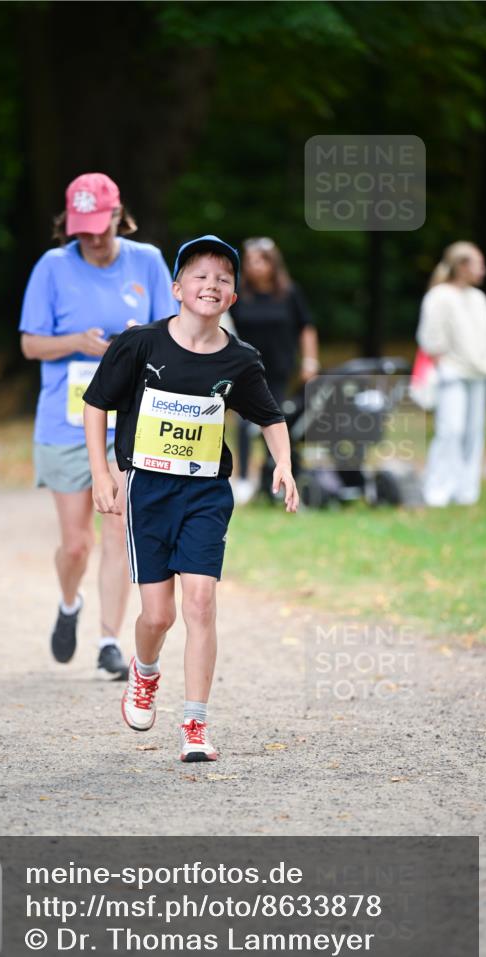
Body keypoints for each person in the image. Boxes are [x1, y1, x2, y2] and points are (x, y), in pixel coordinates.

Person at [83, 236, 298, 762]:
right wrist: (102, 473)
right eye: (200, 276)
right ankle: (145, 671)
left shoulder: (240, 359)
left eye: (224, 279)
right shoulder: (142, 345)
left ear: (233, 299)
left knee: (200, 601)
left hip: (205, 493)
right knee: (158, 616)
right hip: (148, 491)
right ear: (177, 288)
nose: (212, 285)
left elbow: (268, 416)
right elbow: (96, 405)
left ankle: (196, 725)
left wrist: (285, 467)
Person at [19, 173, 175, 680]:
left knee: (118, 528)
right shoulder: (52, 267)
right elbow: (30, 345)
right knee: (76, 544)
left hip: (127, 422)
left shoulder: (147, 261)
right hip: (65, 424)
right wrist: (76, 343)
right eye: (81, 229)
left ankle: (110, 641)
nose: (93, 238)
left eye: (100, 227)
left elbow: (174, 334)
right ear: (70, 224)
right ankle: (69, 603)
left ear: (117, 215)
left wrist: (139, 341)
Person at [229, 237, 319, 503]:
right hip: (244, 370)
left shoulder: (289, 293)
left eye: (260, 260)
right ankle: (244, 478)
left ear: (272, 263)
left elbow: (306, 326)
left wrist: (310, 360)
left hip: (279, 369)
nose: (255, 267)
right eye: (250, 262)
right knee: (245, 425)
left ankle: (276, 477)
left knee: (275, 420)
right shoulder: (238, 295)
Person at [416, 241, 486, 507]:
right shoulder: (439, 296)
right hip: (451, 374)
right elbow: (430, 338)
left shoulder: (478, 298)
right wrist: (445, 365)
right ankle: (437, 490)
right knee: (451, 430)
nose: (483, 270)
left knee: (473, 433)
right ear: (462, 266)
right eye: (478, 264)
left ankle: (466, 491)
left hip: (478, 374)